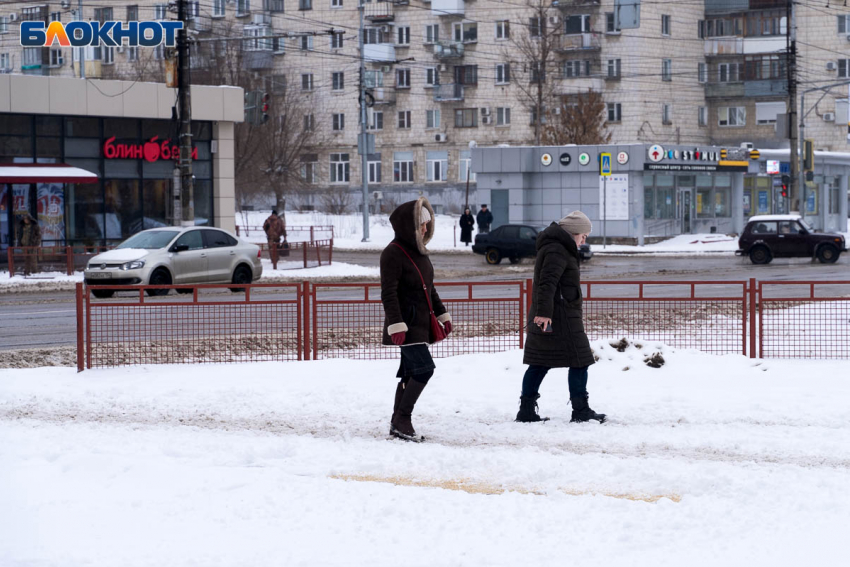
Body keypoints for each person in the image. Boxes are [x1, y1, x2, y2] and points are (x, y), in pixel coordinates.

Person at [516, 210, 606, 424]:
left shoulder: (558, 248)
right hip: (560, 316)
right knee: (580, 360)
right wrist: (544, 313)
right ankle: (580, 410)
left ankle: (526, 410)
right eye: (583, 235)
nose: (584, 240)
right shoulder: (558, 250)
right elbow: (547, 283)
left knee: (540, 362)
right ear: (573, 232)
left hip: (558, 314)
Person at [380, 197, 452, 442]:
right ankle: (402, 418)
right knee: (424, 370)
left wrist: (443, 314)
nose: (425, 229)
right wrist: (395, 324)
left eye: (427, 224)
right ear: (408, 226)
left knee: (411, 373)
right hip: (406, 324)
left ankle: (397, 421)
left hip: (422, 324)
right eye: (421, 225)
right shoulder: (392, 253)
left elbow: (429, 289)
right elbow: (388, 293)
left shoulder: (421, 253)